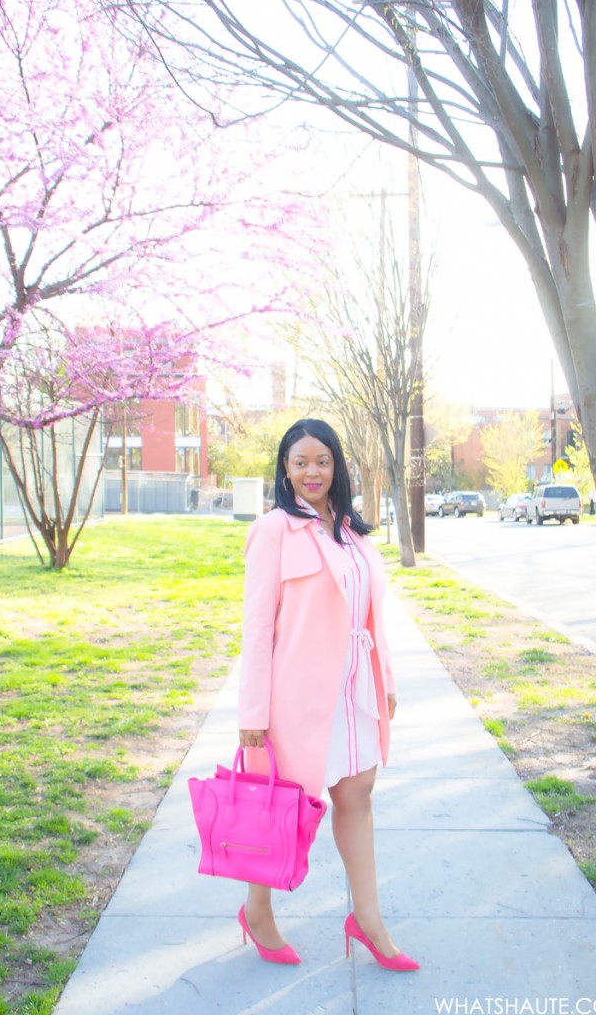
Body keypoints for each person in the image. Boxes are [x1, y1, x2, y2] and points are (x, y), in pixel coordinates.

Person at [237, 417, 419, 973]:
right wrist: (253, 713)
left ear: (336, 466)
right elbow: (258, 627)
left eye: (322, 460)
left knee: (357, 799)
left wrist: (384, 682)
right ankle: (257, 911)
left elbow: (372, 614)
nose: (312, 471)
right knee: (278, 812)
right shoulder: (273, 530)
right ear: (285, 470)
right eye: (300, 462)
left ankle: (368, 922)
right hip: (296, 700)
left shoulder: (352, 529)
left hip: (356, 694)